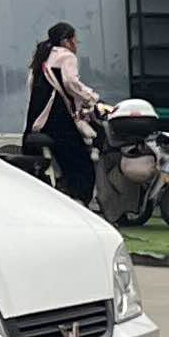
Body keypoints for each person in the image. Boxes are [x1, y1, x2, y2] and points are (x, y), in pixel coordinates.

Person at [21, 22, 100, 203]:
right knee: (82, 164)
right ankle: (79, 200)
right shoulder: (66, 56)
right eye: (75, 40)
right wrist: (92, 98)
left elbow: (32, 84)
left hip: (38, 120)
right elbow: (71, 83)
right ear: (66, 41)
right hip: (57, 120)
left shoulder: (42, 56)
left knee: (65, 162)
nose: (76, 44)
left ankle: (65, 190)